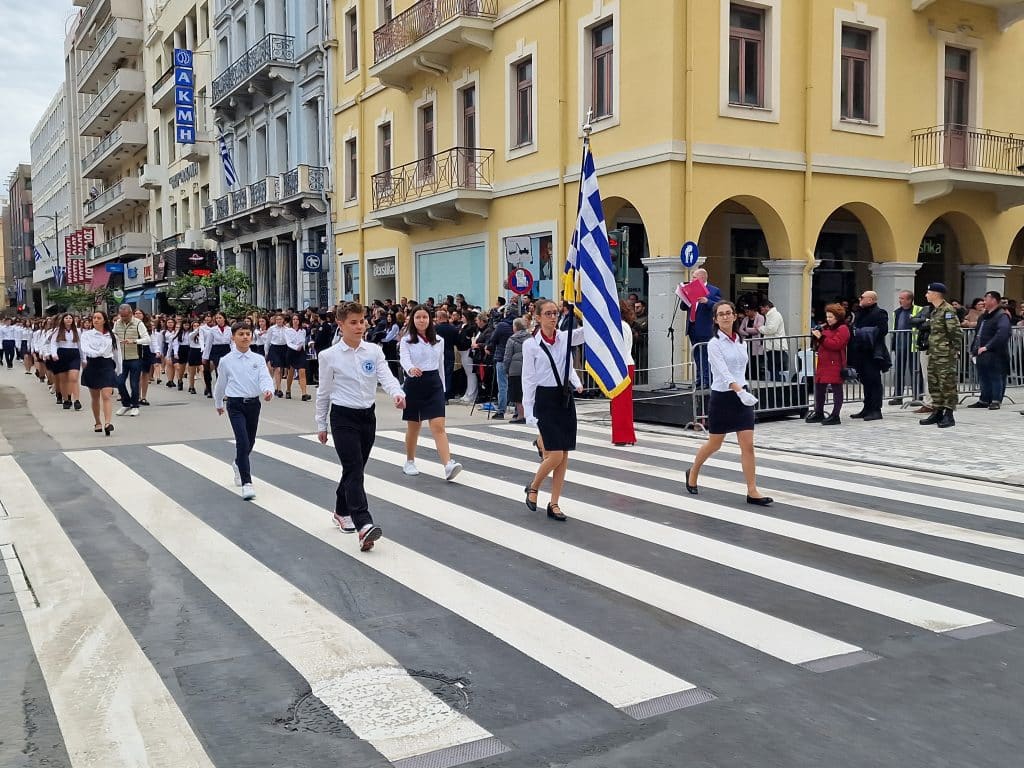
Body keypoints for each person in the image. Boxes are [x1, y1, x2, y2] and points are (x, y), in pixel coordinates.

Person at [316, 302, 406, 552]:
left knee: (354, 468)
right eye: (353, 322)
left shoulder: (373, 351)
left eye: (362, 321)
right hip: (343, 417)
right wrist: (321, 423)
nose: (359, 326)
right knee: (354, 469)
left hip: (368, 416)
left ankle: (341, 509)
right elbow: (323, 392)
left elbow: (386, 376)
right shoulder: (329, 356)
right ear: (341, 324)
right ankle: (364, 524)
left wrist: (397, 392)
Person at [684, 301, 772, 505]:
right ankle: (693, 471)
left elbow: (741, 367)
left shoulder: (741, 340)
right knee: (715, 444)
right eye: (721, 314)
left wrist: (744, 390)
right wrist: (739, 391)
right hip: (723, 396)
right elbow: (722, 372)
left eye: (728, 313)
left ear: (734, 316)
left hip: (743, 395)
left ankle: (752, 490)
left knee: (748, 445)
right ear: (715, 319)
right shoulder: (714, 343)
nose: (725, 316)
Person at [522, 299, 585, 522]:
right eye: (548, 313)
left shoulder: (565, 338)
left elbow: (586, 335)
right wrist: (528, 411)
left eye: (555, 313)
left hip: (564, 399)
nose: (553, 317)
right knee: (555, 454)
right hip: (544, 399)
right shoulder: (530, 345)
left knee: (564, 455)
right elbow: (528, 379)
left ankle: (554, 502)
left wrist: (576, 381)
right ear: (537, 317)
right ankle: (534, 485)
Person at [399, 306, 463, 480]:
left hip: (434, 383)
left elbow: (441, 363)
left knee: (438, 425)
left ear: (430, 319)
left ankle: (448, 464)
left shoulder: (439, 340)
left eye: (425, 317)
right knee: (414, 426)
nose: (421, 320)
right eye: (418, 317)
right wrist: (411, 369)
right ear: (413, 319)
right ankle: (410, 461)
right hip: (414, 383)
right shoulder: (406, 340)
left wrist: (442, 388)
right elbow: (404, 359)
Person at [214, 322, 275, 501]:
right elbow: (221, 384)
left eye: (248, 334)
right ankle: (247, 482)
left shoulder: (258, 359)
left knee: (250, 441)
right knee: (242, 440)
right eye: (241, 334)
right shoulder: (226, 361)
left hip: (253, 404)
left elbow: (264, 377)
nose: (245, 337)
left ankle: (238, 463)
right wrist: (218, 402)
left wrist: (267, 390)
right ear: (233, 337)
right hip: (235, 404)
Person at [919, 283, 963, 428]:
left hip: (945, 354)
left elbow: (955, 332)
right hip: (934, 352)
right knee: (934, 383)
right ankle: (937, 411)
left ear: (936, 294)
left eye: (928, 292)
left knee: (947, 384)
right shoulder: (935, 311)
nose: (926, 295)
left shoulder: (948, 310)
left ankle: (949, 415)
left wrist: (954, 349)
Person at [806, 304, 851, 425]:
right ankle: (819, 412)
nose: (828, 319)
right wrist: (816, 337)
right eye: (827, 316)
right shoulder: (826, 327)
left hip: (835, 362)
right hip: (823, 361)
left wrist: (820, 338)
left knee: (836, 388)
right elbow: (821, 343)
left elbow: (836, 344)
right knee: (819, 387)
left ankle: (835, 415)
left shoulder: (843, 328)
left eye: (831, 317)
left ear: (837, 317)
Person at [968, 290, 1011, 410]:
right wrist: (973, 349)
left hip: (995, 352)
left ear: (993, 300)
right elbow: (978, 334)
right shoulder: (983, 316)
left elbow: (1002, 333)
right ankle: (984, 399)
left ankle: (996, 400)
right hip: (980, 351)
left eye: (986, 299)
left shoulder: (1002, 315)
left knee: (996, 376)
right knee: (983, 376)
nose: (984, 301)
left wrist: (988, 346)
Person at [849, 290, 888, 421]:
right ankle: (867, 407)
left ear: (871, 300)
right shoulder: (859, 312)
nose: (860, 299)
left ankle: (876, 409)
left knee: (874, 380)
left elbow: (883, 330)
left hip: (873, 352)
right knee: (865, 380)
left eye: (862, 297)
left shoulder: (879, 313)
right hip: (860, 351)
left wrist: (864, 333)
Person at [80, 311, 121, 436]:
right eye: (94, 318)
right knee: (95, 396)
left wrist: (119, 369)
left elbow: (117, 353)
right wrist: (97, 353)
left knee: (106, 395)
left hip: (107, 365)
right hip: (93, 364)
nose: (96, 320)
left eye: (99, 318)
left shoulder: (112, 335)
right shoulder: (87, 335)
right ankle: (98, 421)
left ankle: (108, 423)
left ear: (104, 320)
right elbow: (85, 348)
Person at [685, 268, 723, 388]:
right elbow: (683, 307)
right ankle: (699, 379)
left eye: (694, 277)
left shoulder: (713, 290)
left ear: (702, 277)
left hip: (706, 328)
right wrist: (685, 297)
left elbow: (719, 307)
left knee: (706, 355)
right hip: (693, 327)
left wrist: (707, 301)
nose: (692, 279)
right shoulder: (692, 290)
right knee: (697, 355)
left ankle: (707, 380)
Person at [113, 303, 151, 417]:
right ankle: (126, 403)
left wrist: (134, 341)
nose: (123, 318)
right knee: (119, 382)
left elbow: (147, 339)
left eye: (125, 316)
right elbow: (113, 336)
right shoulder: (117, 323)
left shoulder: (138, 323)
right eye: (121, 316)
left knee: (134, 383)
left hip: (135, 358)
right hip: (121, 358)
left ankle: (135, 405)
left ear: (130, 313)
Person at [889, 290, 924, 406]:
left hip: (914, 345)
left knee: (915, 371)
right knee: (898, 371)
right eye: (900, 298)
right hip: (900, 345)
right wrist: (894, 344)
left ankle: (918, 396)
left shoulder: (919, 310)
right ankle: (898, 396)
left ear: (909, 300)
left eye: (903, 298)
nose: (900, 300)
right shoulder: (897, 312)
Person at [611, 299, 637, 446]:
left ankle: (623, 435)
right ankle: (623, 434)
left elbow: (620, 347)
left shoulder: (620, 326)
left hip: (623, 365)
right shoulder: (623, 325)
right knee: (620, 402)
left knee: (621, 402)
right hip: (624, 364)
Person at [52, 314, 83, 411]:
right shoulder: (57, 331)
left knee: (73, 378)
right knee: (63, 379)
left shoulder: (77, 331)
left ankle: (76, 400)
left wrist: (84, 359)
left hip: (74, 354)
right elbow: (53, 343)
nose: (68, 320)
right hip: (62, 354)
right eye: (66, 318)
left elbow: (80, 345)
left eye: (70, 318)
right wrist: (54, 354)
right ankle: (66, 399)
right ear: (63, 320)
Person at [757, 298, 787, 380]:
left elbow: (771, 329)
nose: (760, 310)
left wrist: (760, 328)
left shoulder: (775, 315)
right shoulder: (771, 315)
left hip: (776, 347)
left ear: (767, 307)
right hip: (773, 346)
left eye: (761, 308)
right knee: (772, 368)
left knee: (775, 368)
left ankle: (778, 386)